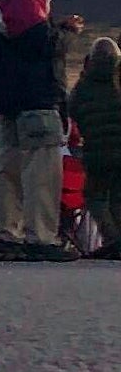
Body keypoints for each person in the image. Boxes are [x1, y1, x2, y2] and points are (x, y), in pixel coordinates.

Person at [0, 0, 82, 261]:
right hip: (35, 96)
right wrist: (66, 32)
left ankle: (9, 234)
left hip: (7, 97)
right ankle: (42, 237)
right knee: (42, 167)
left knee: (8, 164)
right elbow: (40, 45)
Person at [69, 38, 121, 260]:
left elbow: (73, 113)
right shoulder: (118, 82)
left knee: (95, 197)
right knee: (118, 197)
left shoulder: (83, 86)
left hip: (96, 154)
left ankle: (112, 237)